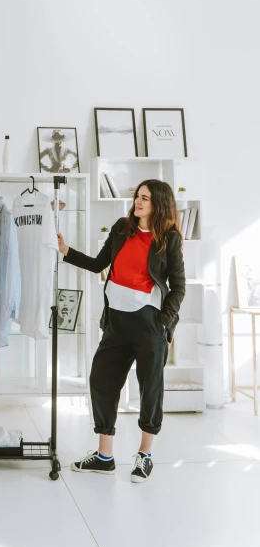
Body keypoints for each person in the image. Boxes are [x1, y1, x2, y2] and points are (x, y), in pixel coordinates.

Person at [57, 179, 185, 483]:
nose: (137, 202)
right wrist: (66, 251)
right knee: (101, 380)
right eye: (137, 196)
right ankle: (105, 456)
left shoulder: (169, 238)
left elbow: (178, 286)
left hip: (148, 324)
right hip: (115, 322)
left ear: (159, 205)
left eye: (145, 198)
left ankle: (144, 456)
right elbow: (100, 263)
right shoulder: (121, 227)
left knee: (149, 389)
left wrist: (163, 322)